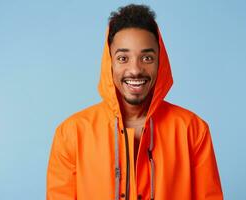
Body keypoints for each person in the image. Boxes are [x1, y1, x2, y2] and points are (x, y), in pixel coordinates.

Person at [47, 4, 223, 200]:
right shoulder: (71, 133)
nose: (135, 69)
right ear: (109, 63)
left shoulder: (193, 130)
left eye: (147, 57)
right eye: (123, 58)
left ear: (160, 62)